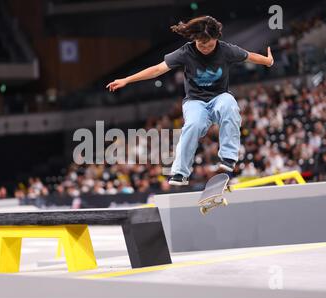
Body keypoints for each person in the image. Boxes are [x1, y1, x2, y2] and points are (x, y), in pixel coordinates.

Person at [106, 16, 274, 185]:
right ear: (195, 40)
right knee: (193, 126)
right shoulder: (186, 52)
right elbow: (157, 69)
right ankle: (180, 172)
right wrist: (127, 79)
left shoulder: (226, 50)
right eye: (201, 44)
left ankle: (229, 157)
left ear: (217, 39)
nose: (205, 49)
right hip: (195, 101)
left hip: (219, 97)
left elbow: (249, 56)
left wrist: (267, 61)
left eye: (209, 44)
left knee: (229, 106)